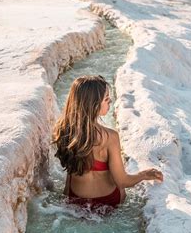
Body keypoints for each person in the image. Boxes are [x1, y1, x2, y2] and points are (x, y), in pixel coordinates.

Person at [52, 75, 163, 212]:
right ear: (92, 104)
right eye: (106, 99)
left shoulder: (64, 130)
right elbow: (122, 181)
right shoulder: (110, 137)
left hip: (75, 201)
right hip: (107, 202)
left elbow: (69, 174)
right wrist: (144, 174)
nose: (110, 101)